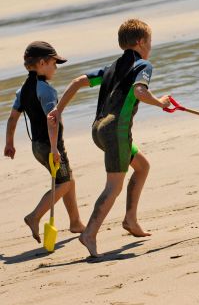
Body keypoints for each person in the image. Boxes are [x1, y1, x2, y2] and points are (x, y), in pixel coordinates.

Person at [48, 19, 171, 257]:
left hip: (98, 129)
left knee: (142, 167)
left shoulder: (112, 67)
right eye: (150, 42)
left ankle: (130, 220)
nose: (151, 47)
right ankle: (89, 233)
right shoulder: (143, 64)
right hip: (116, 131)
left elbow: (78, 82)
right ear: (141, 42)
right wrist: (160, 103)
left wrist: (59, 109)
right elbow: (139, 91)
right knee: (113, 187)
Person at [4, 41, 85, 243]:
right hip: (50, 145)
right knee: (64, 182)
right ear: (41, 63)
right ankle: (34, 216)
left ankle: (75, 222)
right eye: (53, 63)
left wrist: (9, 143)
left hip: (36, 146)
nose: (55, 68)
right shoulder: (46, 90)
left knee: (67, 180)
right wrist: (55, 148)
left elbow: (12, 118)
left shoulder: (22, 90)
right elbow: (52, 120)